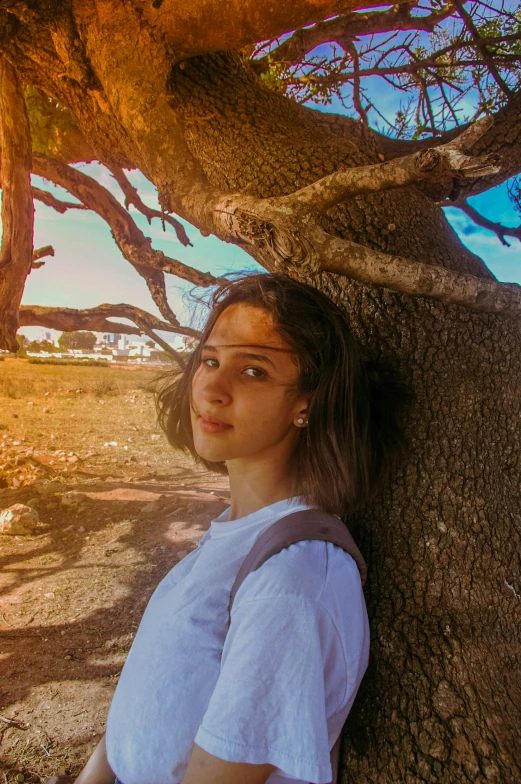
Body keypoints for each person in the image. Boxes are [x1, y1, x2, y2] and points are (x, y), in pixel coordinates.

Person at [67, 272, 409, 784]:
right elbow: (141, 703)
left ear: (306, 404)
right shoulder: (236, 530)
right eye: (209, 360)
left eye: (253, 371)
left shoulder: (293, 584)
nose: (212, 387)